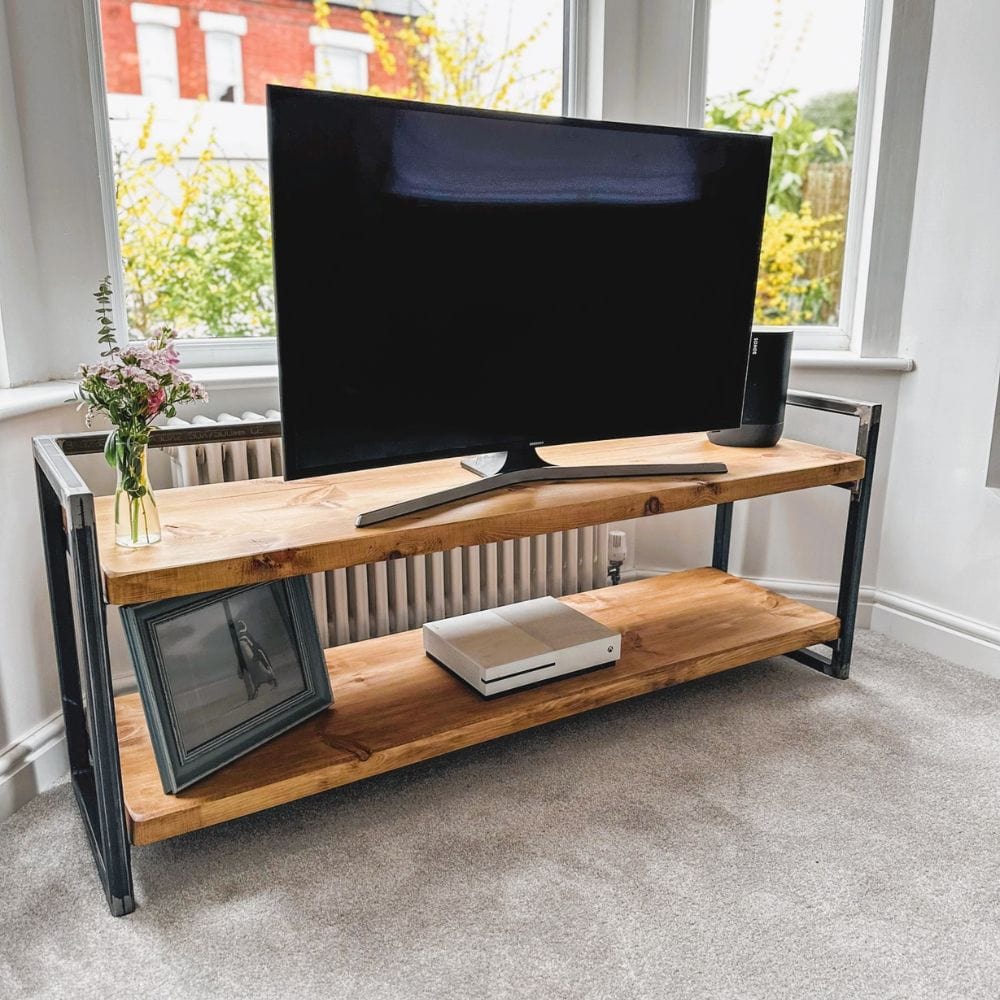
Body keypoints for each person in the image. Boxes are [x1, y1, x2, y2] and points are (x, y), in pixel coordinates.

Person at [234, 619, 278, 700]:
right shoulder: (245, 636)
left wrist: (240, 668)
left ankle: (271, 682)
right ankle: (268, 684)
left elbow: (253, 648)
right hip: (253, 657)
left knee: (262, 670)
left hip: (255, 656)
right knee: (261, 671)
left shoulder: (243, 637)